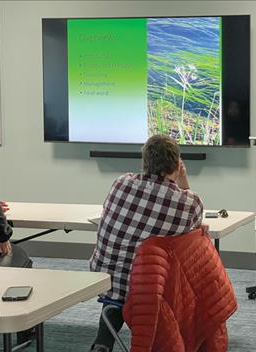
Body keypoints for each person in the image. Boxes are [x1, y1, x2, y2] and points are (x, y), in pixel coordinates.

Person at [89, 135, 204, 352]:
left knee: (124, 277)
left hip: (105, 277)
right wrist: (183, 181)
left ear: (144, 163)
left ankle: (103, 342)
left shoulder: (121, 183)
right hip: (149, 288)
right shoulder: (189, 204)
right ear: (177, 165)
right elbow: (196, 229)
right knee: (165, 270)